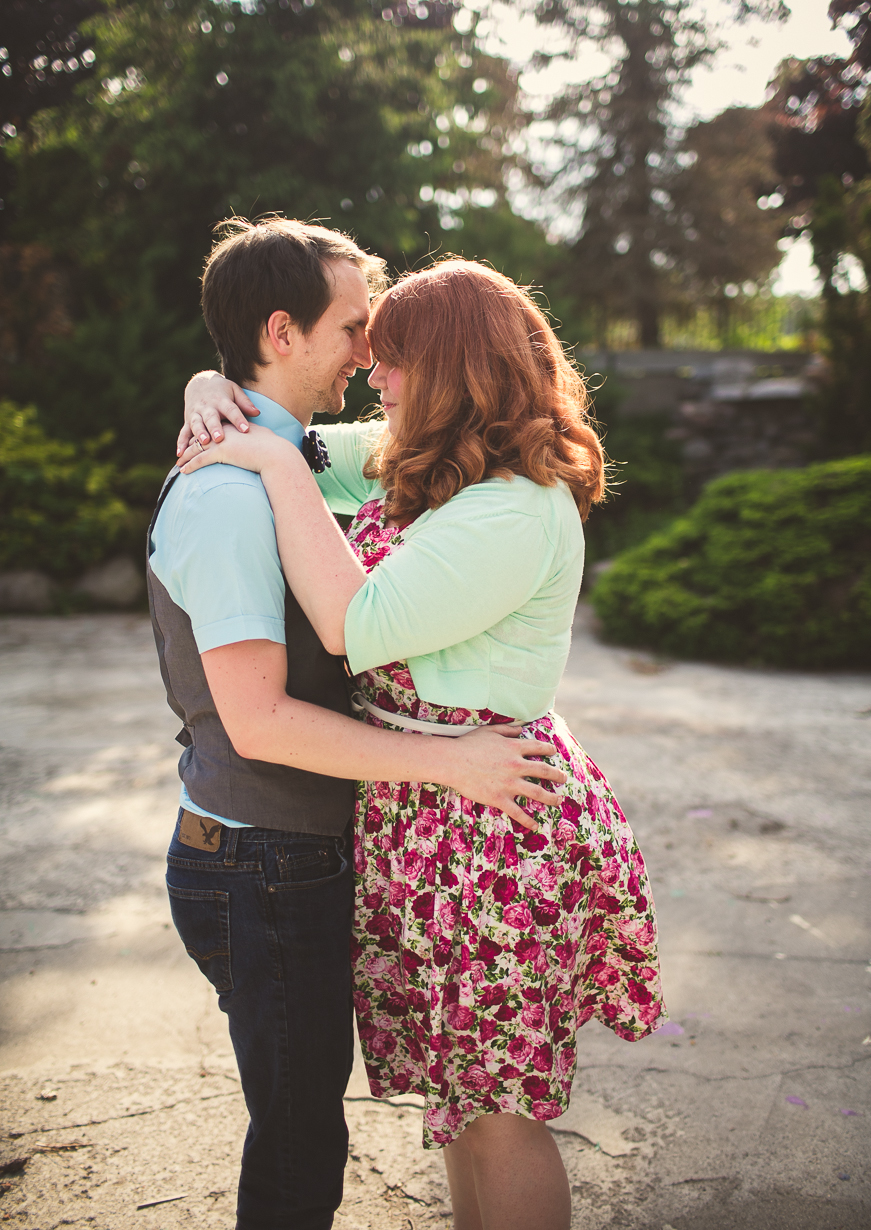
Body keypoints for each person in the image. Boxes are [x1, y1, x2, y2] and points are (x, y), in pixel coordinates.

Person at [178, 258, 666, 1230]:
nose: (373, 371)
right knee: (460, 1105)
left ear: (445, 367)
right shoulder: (437, 457)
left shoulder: (511, 509)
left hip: (492, 824)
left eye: (392, 356)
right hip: (435, 812)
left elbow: (350, 623)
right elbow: (305, 434)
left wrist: (274, 467)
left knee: (498, 1113)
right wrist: (210, 387)